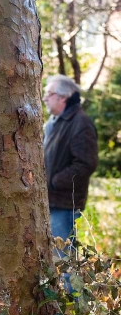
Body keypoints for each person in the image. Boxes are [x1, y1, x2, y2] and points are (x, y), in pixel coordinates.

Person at [43, 74, 98, 247]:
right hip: (50, 200)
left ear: (62, 97)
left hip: (64, 203)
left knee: (63, 260)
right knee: (53, 258)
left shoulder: (80, 123)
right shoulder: (54, 122)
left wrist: (54, 182)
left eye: (49, 93)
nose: (44, 98)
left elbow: (85, 164)